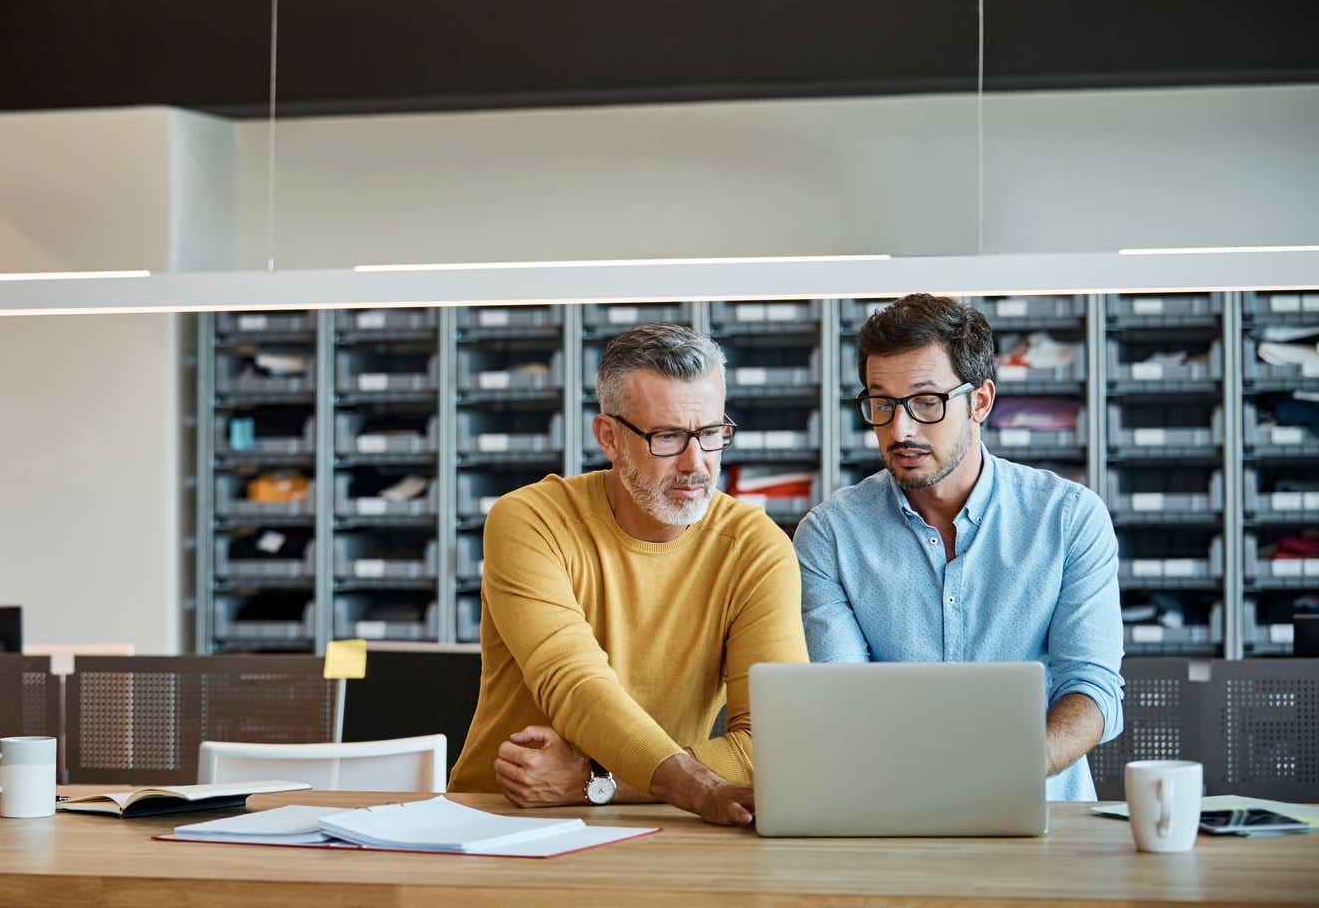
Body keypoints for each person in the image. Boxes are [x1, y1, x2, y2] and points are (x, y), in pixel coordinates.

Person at [447, 322, 809, 825]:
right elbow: (575, 684)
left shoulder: (755, 546)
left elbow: (773, 742)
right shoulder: (530, 521)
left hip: (664, 824)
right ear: (609, 437)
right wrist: (697, 786)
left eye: (709, 434)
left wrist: (597, 784)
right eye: (667, 437)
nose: (696, 463)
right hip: (501, 820)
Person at [795, 293, 1123, 800]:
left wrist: (1006, 772)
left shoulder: (1068, 518)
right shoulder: (831, 535)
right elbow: (842, 701)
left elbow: (1092, 690)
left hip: (1043, 815)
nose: (900, 429)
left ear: (981, 401)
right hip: (892, 817)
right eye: (882, 403)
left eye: (927, 402)